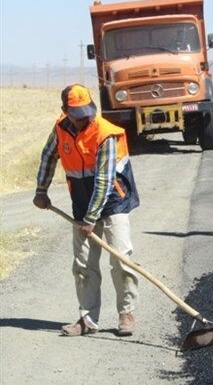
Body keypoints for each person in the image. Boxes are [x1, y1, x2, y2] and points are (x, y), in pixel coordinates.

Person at [33, 84, 140, 336]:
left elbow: (103, 180)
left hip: (114, 201)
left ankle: (126, 313)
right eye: (77, 114)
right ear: (65, 111)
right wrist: (41, 190)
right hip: (82, 203)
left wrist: (91, 218)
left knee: (121, 259)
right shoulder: (60, 128)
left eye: (87, 112)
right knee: (83, 264)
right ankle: (87, 319)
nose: (84, 118)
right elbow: (49, 156)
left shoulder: (104, 132)